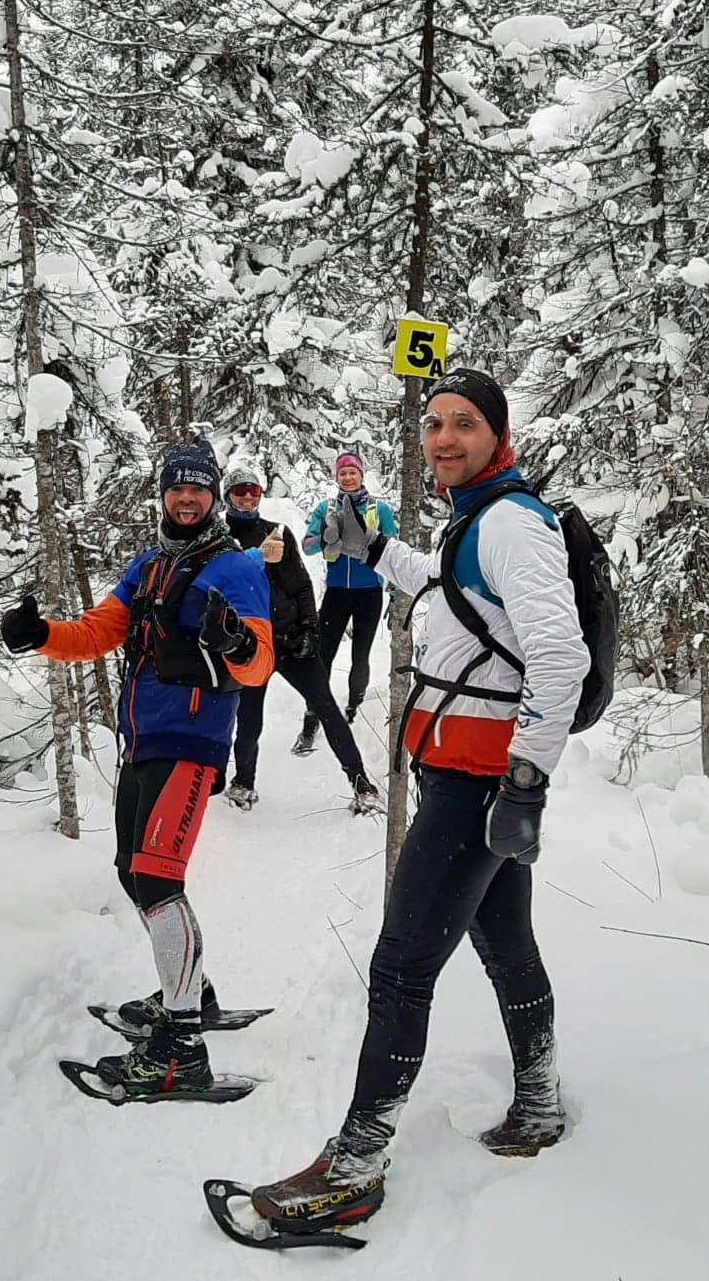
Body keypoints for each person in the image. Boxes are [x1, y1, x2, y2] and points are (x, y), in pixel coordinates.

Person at [246, 369, 587, 1231]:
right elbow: (448, 590)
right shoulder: (475, 520)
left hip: (481, 784)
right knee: (506, 943)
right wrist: (371, 552)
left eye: (464, 423)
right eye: (433, 423)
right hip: (466, 775)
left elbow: (561, 658)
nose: (443, 437)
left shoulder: (512, 523)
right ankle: (539, 1101)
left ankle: (356, 1163)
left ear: (498, 435)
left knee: (401, 968)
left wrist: (525, 784)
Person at [0, 440, 274, 1096]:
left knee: (156, 877)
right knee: (132, 870)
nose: (187, 499)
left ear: (212, 497)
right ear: (164, 495)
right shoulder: (149, 568)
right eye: (177, 488)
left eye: (198, 489)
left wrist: (234, 640)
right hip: (142, 742)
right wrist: (40, 636)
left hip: (194, 741)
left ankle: (182, 1050)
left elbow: (259, 664)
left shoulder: (235, 569)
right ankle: (193, 994)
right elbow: (99, 632)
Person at [221, 465, 382, 815]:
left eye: (254, 490)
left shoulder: (276, 531)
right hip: (251, 644)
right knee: (249, 719)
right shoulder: (220, 539)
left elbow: (300, 583)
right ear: (227, 496)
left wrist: (310, 628)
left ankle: (361, 784)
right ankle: (243, 782)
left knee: (327, 708)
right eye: (240, 491)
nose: (248, 496)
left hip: (292, 636)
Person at [295, 453, 396, 754]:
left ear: (361, 475)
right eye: (343, 474)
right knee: (322, 656)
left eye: (353, 473)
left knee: (360, 655)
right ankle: (312, 717)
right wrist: (327, 540)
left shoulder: (381, 508)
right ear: (337, 478)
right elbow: (307, 546)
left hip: (369, 593)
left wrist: (373, 541)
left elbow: (394, 548)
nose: (348, 478)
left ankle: (355, 707)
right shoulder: (326, 508)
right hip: (337, 591)